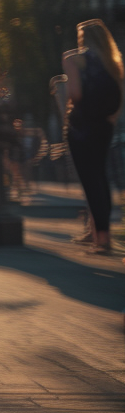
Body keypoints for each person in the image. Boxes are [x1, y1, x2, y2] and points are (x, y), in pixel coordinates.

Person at [62, 18, 123, 254]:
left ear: (82, 38)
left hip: (81, 126)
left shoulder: (73, 58)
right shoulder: (112, 61)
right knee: (100, 178)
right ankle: (103, 236)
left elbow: (75, 94)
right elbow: (118, 97)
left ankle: (100, 240)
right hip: (104, 126)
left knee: (89, 182)